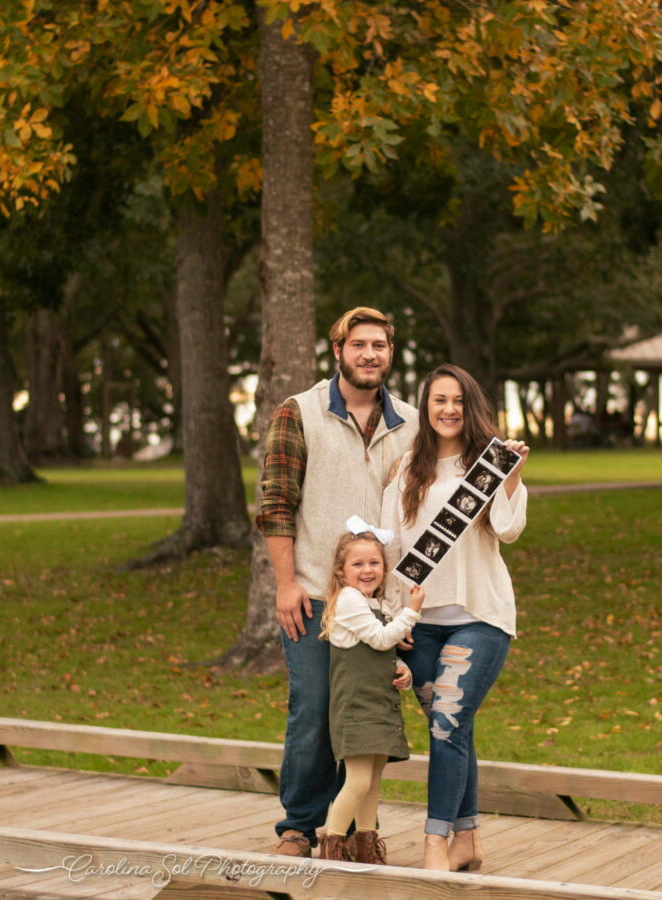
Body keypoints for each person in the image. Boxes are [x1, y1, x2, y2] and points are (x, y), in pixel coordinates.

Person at [256, 307, 419, 857]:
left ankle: (350, 831)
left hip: (380, 604)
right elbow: (276, 504)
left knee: (365, 715)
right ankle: (300, 828)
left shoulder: (411, 422)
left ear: (390, 353)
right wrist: (285, 583)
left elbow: (424, 509)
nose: (369, 354)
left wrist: (401, 607)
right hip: (313, 595)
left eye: (379, 345)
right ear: (338, 351)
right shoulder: (298, 412)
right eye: (359, 344)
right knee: (313, 708)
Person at [381, 363, 529, 872]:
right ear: (425, 406)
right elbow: (390, 546)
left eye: (459, 401)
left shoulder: (489, 462)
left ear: (472, 407)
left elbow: (508, 530)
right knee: (452, 728)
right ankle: (467, 839)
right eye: (439, 400)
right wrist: (392, 619)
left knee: (446, 723)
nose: (449, 409)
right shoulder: (407, 469)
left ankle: (435, 844)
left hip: (479, 615)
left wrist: (511, 476)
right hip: (418, 624)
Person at [317, 523, 425, 863]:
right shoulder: (349, 599)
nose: (367, 570)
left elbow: (382, 649)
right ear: (341, 571)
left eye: (374, 563)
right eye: (358, 564)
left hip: (378, 704)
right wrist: (412, 611)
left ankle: (365, 846)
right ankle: (332, 847)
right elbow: (380, 639)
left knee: (373, 783)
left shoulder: (374, 603)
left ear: (384, 567)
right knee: (359, 782)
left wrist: (402, 669)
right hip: (356, 707)